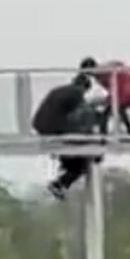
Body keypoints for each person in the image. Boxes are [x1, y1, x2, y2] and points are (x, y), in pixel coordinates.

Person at [31, 72, 104, 201]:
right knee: (82, 162)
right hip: (54, 128)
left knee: (78, 146)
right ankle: (60, 182)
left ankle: (64, 171)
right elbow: (84, 115)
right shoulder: (77, 93)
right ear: (84, 87)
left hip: (40, 125)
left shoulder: (59, 90)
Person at [80, 57, 130, 137]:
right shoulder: (100, 74)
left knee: (106, 115)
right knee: (119, 109)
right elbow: (113, 88)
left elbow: (116, 67)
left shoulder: (100, 72)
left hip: (128, 91)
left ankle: (104, 136)